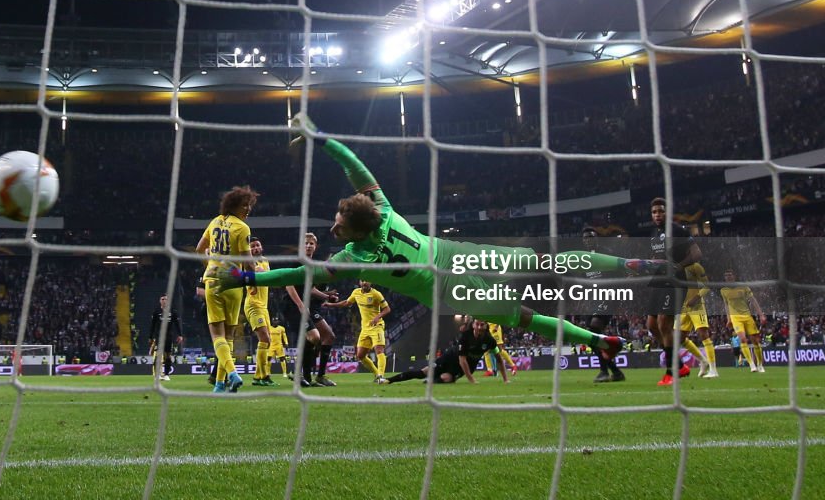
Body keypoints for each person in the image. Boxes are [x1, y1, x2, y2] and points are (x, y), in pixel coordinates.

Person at [217, 115, 640, 361]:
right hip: (451, 253)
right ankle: (625, 266)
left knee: (524, 313)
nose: (333, 227)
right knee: (537, 261)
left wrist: (245, 279)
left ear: (353, 231)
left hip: (446, 287)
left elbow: (298, 272)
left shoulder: (354, 258)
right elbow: (356, 166)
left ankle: (599, 337)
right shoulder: (383, 211)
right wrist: (321, 138)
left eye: (338, 224)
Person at [194, 185, 259, 393]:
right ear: (234, 205)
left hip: (213, 281)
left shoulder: (214, 222)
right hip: (234, 283)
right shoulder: (242, 228)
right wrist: (256, 280)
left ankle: (225, 379)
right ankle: (224, 381)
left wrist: (211, 266)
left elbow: (199, 249)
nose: (248, 209)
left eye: (249, 205)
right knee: (227, 335)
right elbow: (249, 261)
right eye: (245, 205)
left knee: (219, 336)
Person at [647, 197, 703, 387]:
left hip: (675, 281)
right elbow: (656, 258)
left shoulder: (677, 230)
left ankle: (671, 372)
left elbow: (696, 253)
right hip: (658, 281)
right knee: (651, 325)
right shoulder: (654, 234)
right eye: (654, 212)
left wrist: (678, 265)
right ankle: (679, 365)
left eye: (661, 211)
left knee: (664, 321)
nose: (658, 215)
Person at [285, 232, 339, 388]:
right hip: (293, 306)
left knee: (326, 336)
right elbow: (289, 285)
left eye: (311, 244)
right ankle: (299, 373)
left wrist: (327, 297)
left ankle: (312, 376)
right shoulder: (297, 262)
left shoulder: (312, 265)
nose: (308, 246)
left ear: (315, 247)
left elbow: (311, 289)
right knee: (315, 337)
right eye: (306, 243)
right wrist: (301, 305)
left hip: (307, 307)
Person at [388, 318, 501, 385]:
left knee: (446, 378)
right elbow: (462, 360)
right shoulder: (466, 337)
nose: (479, 327)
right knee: (422, 372)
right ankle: (389, 380)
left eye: (482, 325)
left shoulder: (489, 340)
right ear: (473, 325)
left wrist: (505, 378)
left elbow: (498, 355)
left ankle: (430, 381)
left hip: (458, 368)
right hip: (449, 358)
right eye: (477, 324)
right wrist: (471, 379)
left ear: (486, 326)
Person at [580, 227, 625, 384]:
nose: (588, 240)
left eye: (591, 237)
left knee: (594, 328)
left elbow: (619, 274)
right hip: (592, 300)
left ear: (597, 239)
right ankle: (615, 371)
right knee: (591, 337)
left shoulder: (606, 253)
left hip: (608, 297)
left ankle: (604, 371)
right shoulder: (583, 259)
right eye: (585, 238)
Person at [324, 279, 391, 384]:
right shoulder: (356, 292)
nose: (364, 283)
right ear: (359, 282)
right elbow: (346, 302)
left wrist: (377, 317)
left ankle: (381, 376)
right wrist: (331, 305)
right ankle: (377, 374)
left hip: (377, 326)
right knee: (360, 356)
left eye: (367, 281)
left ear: (371, 282)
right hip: (365, 328)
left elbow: (387, 309)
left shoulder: (376, 294)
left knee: (379, 350)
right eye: (362, 281)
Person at [720, 268, 767, 373]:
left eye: (730, 275)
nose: (728, 277)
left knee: (756, 341)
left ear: (734, 276)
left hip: (747, 316)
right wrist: (729, 319)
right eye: (726, 275)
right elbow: (726, 305)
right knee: (743, 339)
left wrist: (761, 315)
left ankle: (760, 364)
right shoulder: (723, 290)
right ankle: (752, 365)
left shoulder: (743, 287)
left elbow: (753, 301)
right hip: (736, 318)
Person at [679, 262, 718, 379]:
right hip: (682, 307)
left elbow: (706, 286)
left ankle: (713, 370)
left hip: (696, 306)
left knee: (703, 334)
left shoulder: (695, 266)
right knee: (679, 337)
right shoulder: (675, 267)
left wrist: (696, 298)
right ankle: (703, 361)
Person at [245, 237, 276, 386]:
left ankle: (259, 376)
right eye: (252, 246)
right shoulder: (247, 263)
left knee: (266, 342)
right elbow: (261, 274)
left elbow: (267, 277)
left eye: (258, 245)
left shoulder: (265, 260)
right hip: (253, 305)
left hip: (264, 306)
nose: (256, 248)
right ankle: (263, 376)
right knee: (265, 339)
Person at [149, 294, 184, 381]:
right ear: (160, 301)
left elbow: (177, 324)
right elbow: (152, 325)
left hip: (169, 337)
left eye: (166, 299)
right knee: (158, 355)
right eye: (163, 299)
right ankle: (157, 375)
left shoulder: (173, 312)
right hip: (159, 337)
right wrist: (150, 337)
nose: (164, 301)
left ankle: (167, 374)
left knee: (167, 356)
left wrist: (180, 335)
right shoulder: (156, 312)